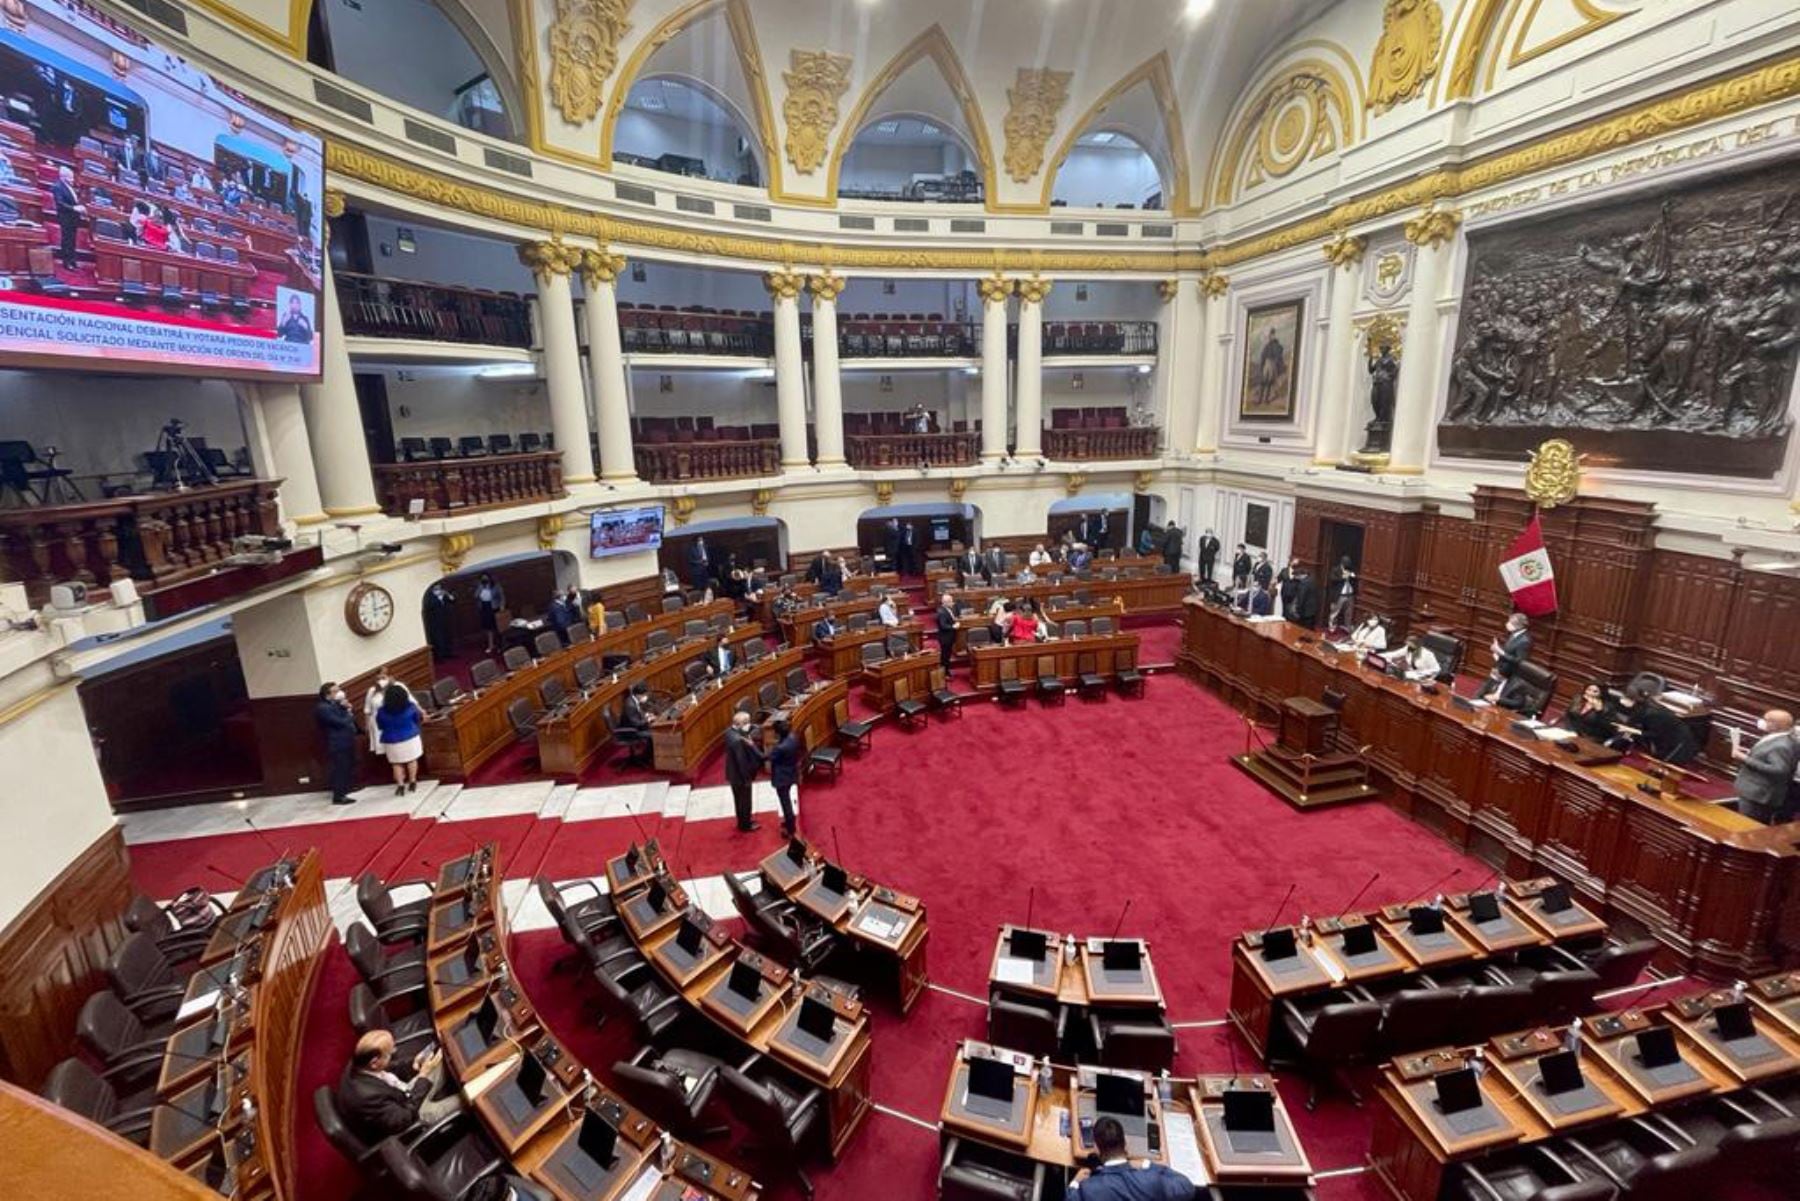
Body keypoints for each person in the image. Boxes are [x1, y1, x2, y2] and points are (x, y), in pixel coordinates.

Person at [336, 1030, 459, 1146]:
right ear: (374, 1062)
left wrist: (413, 1063)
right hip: (412, 1118)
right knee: (467, 1098)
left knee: (444, 1061)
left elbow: (388, 1067)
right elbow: (404, 1119)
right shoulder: (368, 1098)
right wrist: (422, 1076)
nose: (395, 1051)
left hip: (403, 1096)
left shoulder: (360, 1062)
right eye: (390, 1054)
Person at [1068, 1115, 1193, 1200]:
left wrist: (1075, 1183)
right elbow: (1186, 1187)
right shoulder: (1152, 1179)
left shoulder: (1088, 1189)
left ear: (1096, 1148)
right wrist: (1147, 1164)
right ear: (1126, 1143)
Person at [1733, 710, 1798, 825]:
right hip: (1754, 792)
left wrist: (1745, 758)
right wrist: (1750, 754)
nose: (1761, 721)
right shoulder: (1778, 738)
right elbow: (1769, 758)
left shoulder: (1782, 745)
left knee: (1748, 826)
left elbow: (1779, 770)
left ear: (1775, 725)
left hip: (1759, 795)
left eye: (1765, 719)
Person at [1612, 688, 1699, 765]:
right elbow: (1632, 724)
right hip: (1663, 736)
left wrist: (1632, 730)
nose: (1621, 700)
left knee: (1664, 765)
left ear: (1633, 700)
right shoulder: (1638, 709)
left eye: (1624, 698)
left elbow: (1655, 734)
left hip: (1678, 741)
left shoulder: (1652, 713)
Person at [375, 683, 425, 795]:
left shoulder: (382, 710)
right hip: (410, 736)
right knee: (412, 760)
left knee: (396, 763)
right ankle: (412, 782)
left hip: (391, 739)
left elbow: (380, 725)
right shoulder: (410, 706)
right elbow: (417, 719)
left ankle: (400, 785)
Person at [315, 682, 359, 806]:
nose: (339, 693)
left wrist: (345, 707)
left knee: (347, 767)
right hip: (336, 742)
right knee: (340, 769)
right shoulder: (323, 708)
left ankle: (345, 790)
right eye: (335, 691)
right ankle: (338, 796)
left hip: (345, 740)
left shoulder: (334, 704)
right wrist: (349, 713)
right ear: (328, 693)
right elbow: (340, 722)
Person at [723, 711, 764, 833]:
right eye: (746, 723)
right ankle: (746, 825)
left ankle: (742, 822)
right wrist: (747, 779)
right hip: (740, 777)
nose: (748, 725)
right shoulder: (738, 741)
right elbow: (742, 762)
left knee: (738, 800)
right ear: (739, 724)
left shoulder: (729, 732)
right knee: (745, 801)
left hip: (733, 774)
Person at [1477, 613, 1531, 699]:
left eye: (1510, 622)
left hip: (1507, 673)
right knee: (1483, 692)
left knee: (1486, 694)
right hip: (1499, 668)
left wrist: (1501, 653)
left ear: (1518, 625)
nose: (1507, 624)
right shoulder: (1514, 634)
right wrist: (1498, 650)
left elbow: (1519, 661)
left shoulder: (1525, 641)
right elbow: (1509, 651)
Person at [767, 718, 801, 839]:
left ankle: (791, 829)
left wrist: (752, 747)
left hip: (782, 778)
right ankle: (788, 823)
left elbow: (769, 757)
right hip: (791, 773)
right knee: (786, 801)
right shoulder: (793, 737)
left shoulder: (780, 748)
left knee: (785, 803)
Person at [362, 672, 409, 755]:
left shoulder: (395, 688)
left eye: (383, 678)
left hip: (392, 721)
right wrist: (367, 725)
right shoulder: (372, 690)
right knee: (382, 749)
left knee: (395, 748)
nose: (381, 681)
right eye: (378, 679)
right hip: (377, 723)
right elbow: (367, 709)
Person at [52, 165, 86, 270]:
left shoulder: (69, 186)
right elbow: (60, 203)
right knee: (66, 240)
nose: (72, 179)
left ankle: (72, 260)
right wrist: (74, 208)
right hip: (65, 217)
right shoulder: (57, 186)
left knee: (72, 240)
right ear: (63, 177)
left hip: (73, 218)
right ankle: (66, 262)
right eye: (70, 177)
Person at [1277, 559, 1318, 627]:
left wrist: (1296, 610)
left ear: (1300, 575)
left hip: (1305, 611)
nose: (1296, 579)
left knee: (1303, 629)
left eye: (1296, 577)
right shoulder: (1311, 579)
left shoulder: (1303, 584)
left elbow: (1301, 598)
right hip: (1312, 610)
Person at [423, 581, 456, 659]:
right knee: (438, 639)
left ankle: (449, 652)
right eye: (436, 589)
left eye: (439, 588)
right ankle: (440, 656)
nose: (438, 590)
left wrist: (446, 594)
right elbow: (428, 607)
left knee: (447, 636)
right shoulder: (429, 597)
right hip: (435, 622)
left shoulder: (444, 595)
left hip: (445, 619)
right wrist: (438, 598)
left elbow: (453, 600)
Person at [475, 573, 504, 654]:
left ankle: (500, 646)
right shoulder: (480, 587)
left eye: (486, 578)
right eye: (483, 579)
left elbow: (502, 596)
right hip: (485, 608)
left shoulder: (496, 586)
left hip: (494, 607)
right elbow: (475, 596)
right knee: (489, 628)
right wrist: (481, 587)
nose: (485, 580)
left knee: (498, 628)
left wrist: (502, 606)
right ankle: (491, 645)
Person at [1328, 556, 1357, 631]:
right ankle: (1332, 627)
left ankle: (1347, 626)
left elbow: (1355, 581)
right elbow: (1332, 579)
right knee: (1335, 612)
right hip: (1339, 595)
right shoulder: (1335, 569)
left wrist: (1352, 576)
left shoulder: (1350, 570)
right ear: (1342, 563)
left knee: (1349, 612)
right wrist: (1343, 577)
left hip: (1349, 594)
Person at [935, 592, 958, 673]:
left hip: (949, 637)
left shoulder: (948, 609)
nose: (953, 602)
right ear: (946, 602)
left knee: (947, 655)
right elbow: (943, 625)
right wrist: (953, 626)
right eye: (951, 601)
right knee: (945, 656)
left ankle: (947, 671)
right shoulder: (941, 612)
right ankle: (944, 673)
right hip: (945, 638)